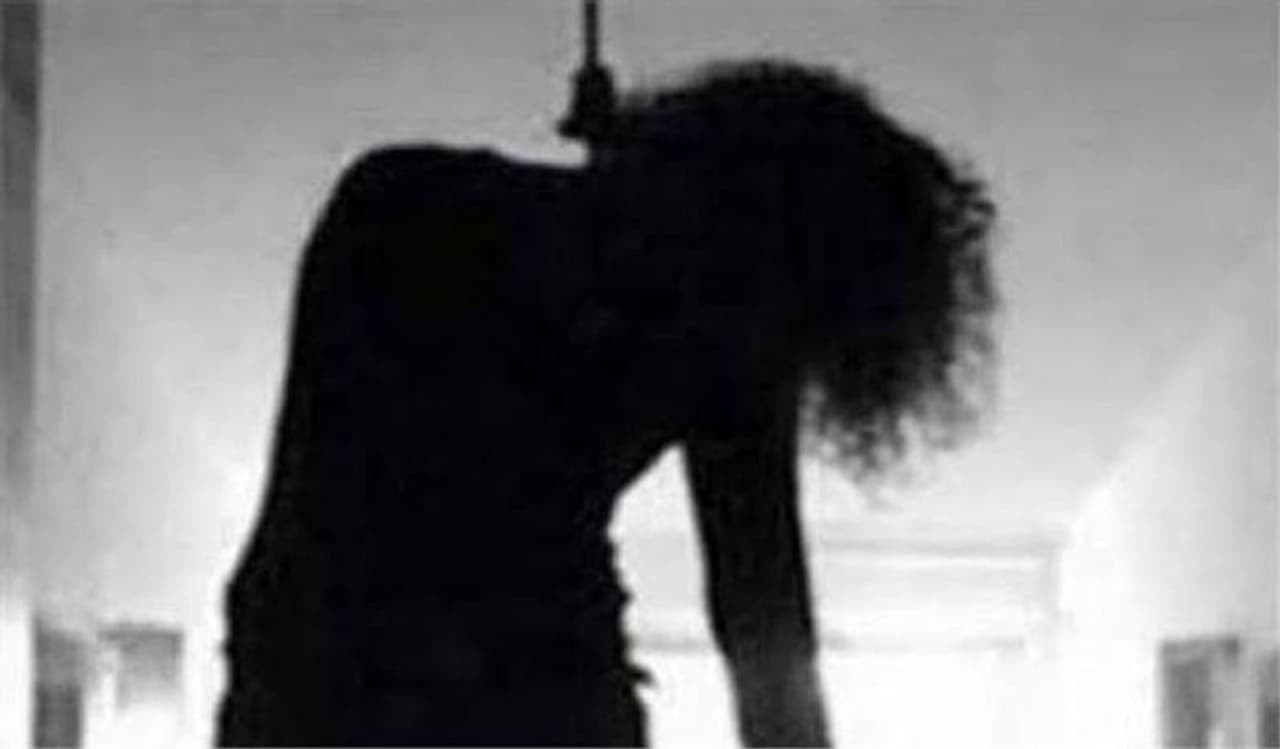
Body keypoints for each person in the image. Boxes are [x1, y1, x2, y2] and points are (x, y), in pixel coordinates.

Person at [216, 59, 997, 747]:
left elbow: (765, 625)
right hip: (449, 675)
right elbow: (765, 625)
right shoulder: (411, 207)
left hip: (354, 668)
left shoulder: (405, 199)